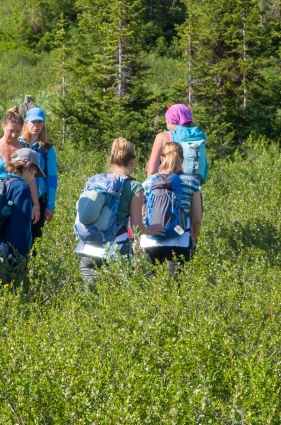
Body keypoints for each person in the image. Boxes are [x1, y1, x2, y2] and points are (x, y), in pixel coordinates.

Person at [74, 137, 144, 290]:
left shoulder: (96, 181)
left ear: (111, 159)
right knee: (117, 301)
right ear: (133, 161)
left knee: (90, 299)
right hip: (117, 248)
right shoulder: (134, 186)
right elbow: (137, 226)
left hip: (89, 247)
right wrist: (151, 230)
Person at [139, 141, 203, 276]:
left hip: (151, 240)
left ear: (162, 158)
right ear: (182, 160)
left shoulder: (148, 182)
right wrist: (193, 238)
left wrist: (139, 237)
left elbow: (140, 213)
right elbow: (197, 218)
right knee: (175, 289)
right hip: (180, 240)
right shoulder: (192, 182)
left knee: (149, 289)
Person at [0, 148, 42, 291]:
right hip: (9, 256)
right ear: (27, 166)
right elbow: (19, 228)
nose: (33, 178)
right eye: (33, 173)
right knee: (13, 301)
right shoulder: (21, 188)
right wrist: (21, 259)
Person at [19, 106, 58, 238]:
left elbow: (51, 179)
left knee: (35, 239)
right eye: (33, 122)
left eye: (40, 122)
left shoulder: (47, 149)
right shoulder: (18, 144)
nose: (36, 125)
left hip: (38, 199)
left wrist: (50, 206)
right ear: (26, 122)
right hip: (18, 197)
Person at [147, 103, 208, 183]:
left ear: (171, 121)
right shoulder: (197, 136)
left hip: (170, 188)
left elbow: (151, 171)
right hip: (194, 187)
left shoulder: (163, 137)